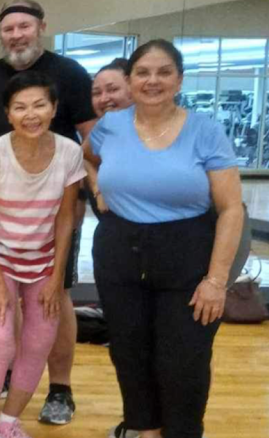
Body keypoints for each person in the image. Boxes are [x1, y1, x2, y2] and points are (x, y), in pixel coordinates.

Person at [0, 0, 96, 425]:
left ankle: (59, 388)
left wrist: (99, 188)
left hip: (49, 223)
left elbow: (93, 138)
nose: (16, 35)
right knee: (0, 332)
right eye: (8, 29)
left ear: (41, 27)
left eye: (23, 27)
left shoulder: (70, 75)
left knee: (51, 310)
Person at [86, 40, 243, 438]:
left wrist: (216, 280)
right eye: (143, 72)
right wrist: (98, 188)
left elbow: (231, 209)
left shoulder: (205, 131)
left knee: (183, 362)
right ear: (130, 80)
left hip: (187, 255)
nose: (152, 80)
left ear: (179, 80)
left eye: (164, 72)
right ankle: (146, 432)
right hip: (119, 253)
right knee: (130, 355)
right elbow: (86, 156)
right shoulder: (111, 126)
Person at [0, 71, 85, 438]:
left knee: (38, 342)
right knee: (0, 340)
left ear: (54, 108)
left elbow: (66, 218)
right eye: (20, 107)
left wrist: (56, 278)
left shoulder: (69, 152)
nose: (30, 114)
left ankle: (7, 422)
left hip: (43, 262)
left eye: (39, 105)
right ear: (8, 114)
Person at [86, 58, 131, 217]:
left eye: (113, 90)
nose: (104, 99)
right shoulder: (103, 131)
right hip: (114, 224)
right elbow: (82, 157)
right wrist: (97, 187)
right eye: (96, 93)